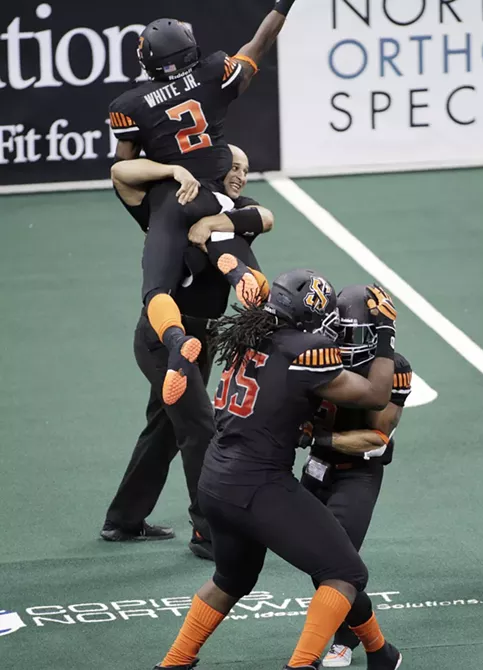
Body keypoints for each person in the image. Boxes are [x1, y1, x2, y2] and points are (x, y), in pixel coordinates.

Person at [153, 271, 402, 670]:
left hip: (215, 478)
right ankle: (302, 664)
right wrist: (386, 333)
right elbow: (375, 394)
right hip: (258, 484)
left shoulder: (245, 335)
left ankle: (173, 663)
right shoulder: (305, 350)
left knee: (231, 580)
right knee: (344, 571)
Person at [109, 0, 298, 406]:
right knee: (220, 228)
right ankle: (242, 278)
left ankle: (177, 341)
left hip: (169, 201)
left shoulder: (130, 106)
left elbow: (124, 169)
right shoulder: (213, 73)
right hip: (211, 193)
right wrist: (284, 5)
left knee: (156, 289)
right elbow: (258, 44)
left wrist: (169, 171)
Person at [101, 148, 272, 559]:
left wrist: (215, 222)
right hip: (163, 335)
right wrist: (173, 169)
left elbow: (266, 216)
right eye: (234, 167)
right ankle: (208, 534)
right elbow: (121, 171)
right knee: (199, 428)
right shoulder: (172, 202)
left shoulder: (235, 210)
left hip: (205, 338)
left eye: (246, 170)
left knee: (164, 428)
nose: (241, 175)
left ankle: (122, 520)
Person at [299, 284, 412, 668]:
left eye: (362, 334)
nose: (351, 344)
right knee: (316, 562)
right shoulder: (313, 353)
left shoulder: (393, 369)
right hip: (316, 467)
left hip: (357, 472)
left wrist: (320, 435)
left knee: (336, 562)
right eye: (345, 333)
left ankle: (339, 641)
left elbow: (377, 438)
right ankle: (373, 646)